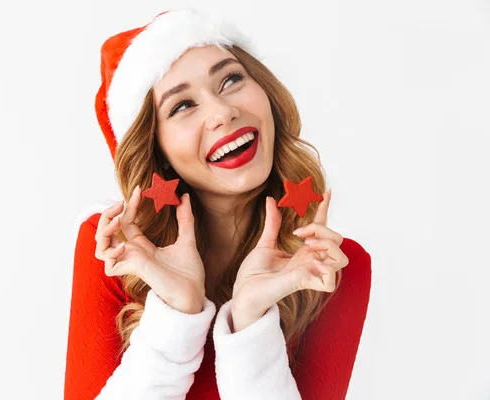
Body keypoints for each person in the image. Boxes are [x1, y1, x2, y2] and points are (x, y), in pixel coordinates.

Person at [64, 8, 371, 400]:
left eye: (231, 79)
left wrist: (251, 322)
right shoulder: (117, 248)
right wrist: (177, 314)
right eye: (182, 106)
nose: (223, 112)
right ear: (156, 150)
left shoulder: (332, 267)